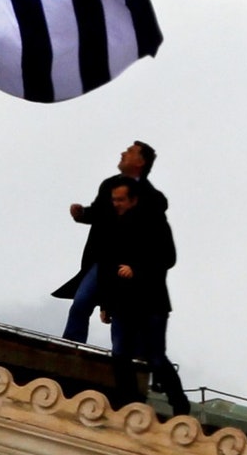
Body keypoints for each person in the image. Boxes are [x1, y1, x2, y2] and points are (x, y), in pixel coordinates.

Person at [52, 142, 166, 343]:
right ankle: (70, 346)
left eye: (130, 152)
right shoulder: (109, 185)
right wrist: (82, 214)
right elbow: (97, 213)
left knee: (123, 317)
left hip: (128, 265)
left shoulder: (153, 199)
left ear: (140, 161)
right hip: (102, 261)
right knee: (81, 303)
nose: (123, 153)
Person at [95, 178, 190, 416]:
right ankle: (128, 405)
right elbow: (107, 265)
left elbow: (168, 258)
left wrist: (137, 269)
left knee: (155, 357)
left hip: (151, 302)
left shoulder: (155, 223)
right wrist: (105, 303)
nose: (116, 204)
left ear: (134, 200)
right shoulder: (113, 226)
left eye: (120, 199)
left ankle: (179, 405)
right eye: (113, 200)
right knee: (120, 354)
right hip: (121, 302)